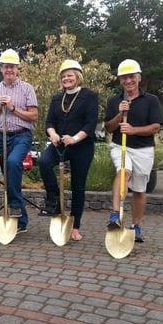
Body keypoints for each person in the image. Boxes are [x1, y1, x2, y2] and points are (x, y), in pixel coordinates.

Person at [38, 60, 99, 241]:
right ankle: (54, 200)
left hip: (82, 146)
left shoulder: (89, 96)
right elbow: (49, 122)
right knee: (43, 161)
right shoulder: (57, 98)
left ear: (78, 76)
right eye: (63, 76)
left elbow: (90, 123)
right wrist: (53, 134)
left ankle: (75, 226)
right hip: (60, 144)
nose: (66, 78)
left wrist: (75, 138)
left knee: (77, 186)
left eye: (70, 75)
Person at [104, 59, 163, 243]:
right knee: (123, 171)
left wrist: (133, 130)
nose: (128, 81)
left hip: (144, 150)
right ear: (120, 80)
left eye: (131, 77)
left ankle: (136, 226)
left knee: (138, 190)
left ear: (138, 77)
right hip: (120, 146)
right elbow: (109, 127)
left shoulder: (151, 100)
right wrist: (120, 114)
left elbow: (155, 127)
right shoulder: (114, 101)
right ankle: (115, 214)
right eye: (124, 78)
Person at [0, 49, 38, 233]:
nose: (9, 70)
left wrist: (13, 108)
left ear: (17, 68)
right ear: (1, 68)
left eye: (13, 67)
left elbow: (34, 116)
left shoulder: (27, 88)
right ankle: (20, 221)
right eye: (6, 66)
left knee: (14, 163)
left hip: (21, 135)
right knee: (6, 174)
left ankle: (14, 205)